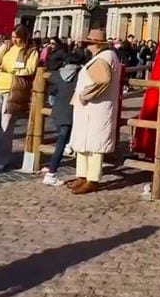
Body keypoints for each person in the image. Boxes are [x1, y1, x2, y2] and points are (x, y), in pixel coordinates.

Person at [68, 29, 121, 194]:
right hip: (89, 108)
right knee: (82, 143)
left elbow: (102, 80)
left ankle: (93, 178)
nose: (87, 46)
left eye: (89, 43)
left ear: (97, 44)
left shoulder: (105, 57)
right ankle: (82, 175)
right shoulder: (100, 57)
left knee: (95, 145)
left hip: (97, 107)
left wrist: (85, 95)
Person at [0, 25, 38, 172]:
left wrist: (10, 69)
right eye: (12, 37)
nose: (14, 40)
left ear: (24, 37)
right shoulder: (6, 47)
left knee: (5, 126)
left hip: (14, 91)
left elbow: (30, 69)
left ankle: (0, 158)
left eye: (17, 37)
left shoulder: (31, 51)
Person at [42, 49, 84, 185]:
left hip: (58, 110)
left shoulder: (59, 73)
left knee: (62, 138)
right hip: (70, 111)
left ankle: (68, 145)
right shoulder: (80, 75)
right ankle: (51, 173)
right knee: (61, 142)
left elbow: (49, 77)